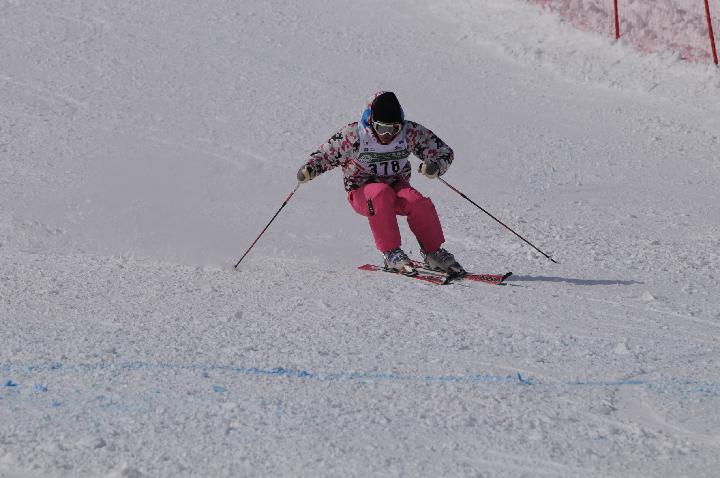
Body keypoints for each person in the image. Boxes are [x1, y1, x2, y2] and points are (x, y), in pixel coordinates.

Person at [297, 91, 465, 276]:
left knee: (418, 202)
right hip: (361, 192)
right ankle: (391, 252)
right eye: (381, 128)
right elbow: (324, 155)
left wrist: (435, 166)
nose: (387, 135)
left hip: (396, 187)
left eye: (393, 128)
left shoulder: (409, 132)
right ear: (370, 121)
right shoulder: (354, 135)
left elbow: (443, 151)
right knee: (380, 192)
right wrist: (310, 169)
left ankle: (433, 252)